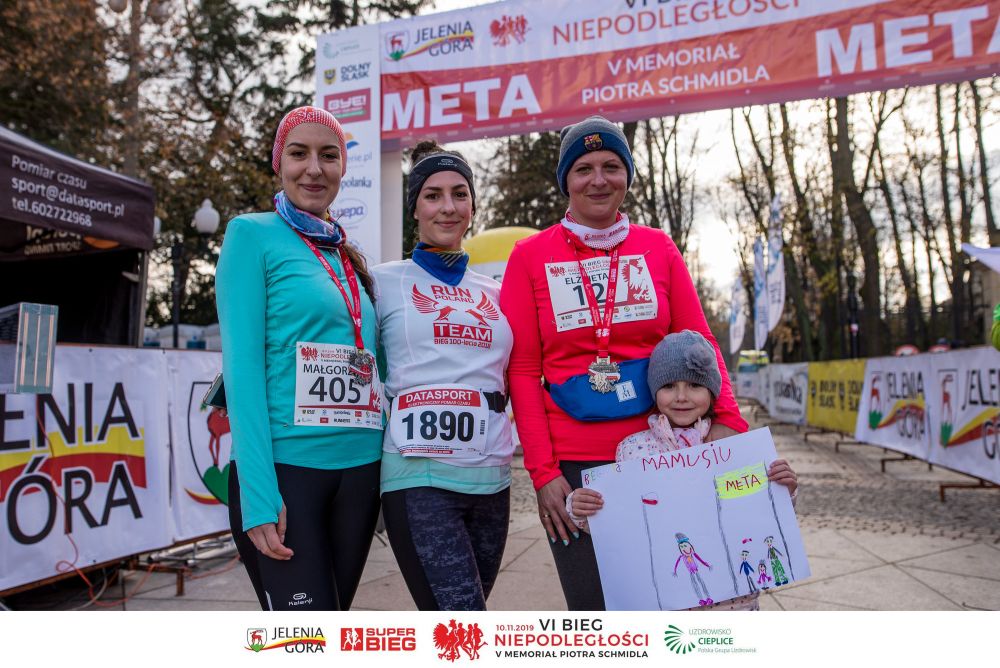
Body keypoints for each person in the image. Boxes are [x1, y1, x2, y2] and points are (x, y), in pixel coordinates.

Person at [499, 114, 750, 610]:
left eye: (611, 166)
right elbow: (523, 371)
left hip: (663, 451)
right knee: (594, 614)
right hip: (574, 466)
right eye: (583, 168)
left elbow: (700, 341)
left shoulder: (658, 247)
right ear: (566, 180)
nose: (598, 180)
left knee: (674, 604)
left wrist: (727, 417)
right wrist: (543, 473)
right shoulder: (529, 256)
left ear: (627, 176)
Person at [215, 106, 383, 610]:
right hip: (290, 473)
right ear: (279, 164)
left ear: (342, 167)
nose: (314, 168)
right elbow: (242, 371)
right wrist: (258, 495)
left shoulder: (345, 254)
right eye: (298, 154)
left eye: (328, 155)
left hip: (360, 473)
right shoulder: (251, 234)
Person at [372, 141, 514, 610]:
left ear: (473, 205)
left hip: (493, 480)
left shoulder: (497, 292)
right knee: (463, 625)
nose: (447, 207)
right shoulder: (381, 281)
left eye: (459, 193)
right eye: (432, 195)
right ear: (414, 207)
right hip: (419, 479)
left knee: (459, 628)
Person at [567, 330, 799, 610]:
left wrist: (783, 489)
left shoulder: (733, 447)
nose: (681, 396)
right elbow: (619, 526)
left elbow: (758, 514)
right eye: (668, 386)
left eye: (694, 385)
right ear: (654, 391)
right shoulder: (633, 450)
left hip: (736, 605)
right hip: (666, 608)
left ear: (712, 391)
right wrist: (581, 510)